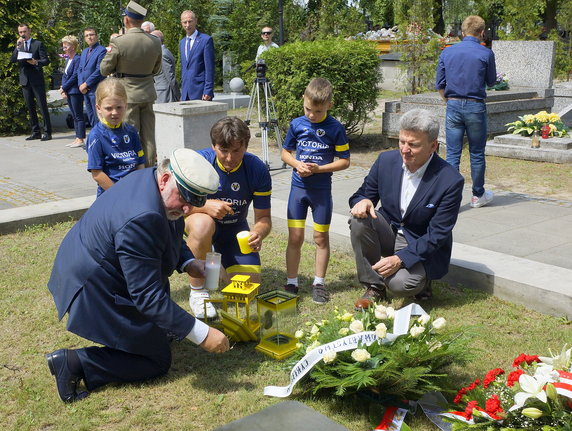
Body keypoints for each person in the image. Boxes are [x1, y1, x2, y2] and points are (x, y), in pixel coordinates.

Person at [46, 148, 230, 403]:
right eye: (185, 198)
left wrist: (189, 262)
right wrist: (202, 334)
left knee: (159, 331)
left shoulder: (154, 182)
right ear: (166, 179)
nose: (188, 209)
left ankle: (155, 331)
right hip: (93, 284)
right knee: (156, 360)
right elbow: (147, 296)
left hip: (101, 265)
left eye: (196, 202)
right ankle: (76, 362)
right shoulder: (142, 217)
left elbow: (170, 230)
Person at [349, 109, 464, 309]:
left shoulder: (450, 180)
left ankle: (423, 282)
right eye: (402, 141)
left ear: (433, 146)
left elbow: (437, 234)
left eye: (413, 145)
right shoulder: (386, 161)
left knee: (400, 284)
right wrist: (363, 201)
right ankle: (374, 287)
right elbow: (361, 194)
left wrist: (401, 259)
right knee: (359, 221)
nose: (404, 149)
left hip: (420, 241)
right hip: (390, 231)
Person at [185, 117, 272, 319]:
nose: (230, 158)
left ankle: (216, 258)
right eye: (223, 150)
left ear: (246, 147)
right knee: (203, 223)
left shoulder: (257, 169)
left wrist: (258, 233)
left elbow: (264, 218)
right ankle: (198, 292)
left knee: (246, 291)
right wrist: (206, 206)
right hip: (200, 225)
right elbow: (176, 207)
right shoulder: (199, 163)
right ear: (213, 146)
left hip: (234, 230)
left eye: (236, 151)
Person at [280, 77, 350, 304]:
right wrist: (296, 164)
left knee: (320, 237)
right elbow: (285, 153)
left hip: (321, 193)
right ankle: (292, 282)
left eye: (318, 111)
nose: (312, 115)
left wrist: (319, 169)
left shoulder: (335, 128)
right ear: (304, 99)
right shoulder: (296, 124)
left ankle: (319, 283)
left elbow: (345, 161)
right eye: (308, 109)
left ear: (329, 104)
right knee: (296, 237)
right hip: (297, 191)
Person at [435, 15, 497, 208]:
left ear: (462, 32)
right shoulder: (485, 53)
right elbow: (492, 81)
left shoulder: (447, 52)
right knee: (477, 153)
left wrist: (448, 101)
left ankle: (449, 198)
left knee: (452, 154)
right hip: (475, 105)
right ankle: (478, 195)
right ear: (482, 32)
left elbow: (439, 83)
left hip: (453, 104)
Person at [100, 0, 162, 168]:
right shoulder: (155, 41)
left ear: (126, 20)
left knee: (129, 136)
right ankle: (149, 170)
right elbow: (157, 69)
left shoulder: (119, 42)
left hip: (127, 95)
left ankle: (133, 171)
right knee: (149, 137)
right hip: (148, 92)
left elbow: (104, 69)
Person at [86, 78, 145, 196]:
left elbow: (140, 164)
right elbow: (97, 174)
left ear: (126, 105)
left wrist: (139, 188)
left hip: (134, 191)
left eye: (119, 107)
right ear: (99, 108)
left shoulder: (131, 132)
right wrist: (119, 194)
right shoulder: (96, 136)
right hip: (111, 194)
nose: (114, 112)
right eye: (108, 108)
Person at [10, 23, 52, 141]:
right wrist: (17, 47)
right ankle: (35, 132)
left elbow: (46, 60)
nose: (22, 34)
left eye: (24, 32)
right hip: (25, 80)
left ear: (29, 31)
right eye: (20, 32)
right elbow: (13, 60)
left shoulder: (37, 44)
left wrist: (36, 62)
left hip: (36, 79)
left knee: (42, 106)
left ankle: (47, 132)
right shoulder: (19, 45)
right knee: (30, 107)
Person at [179, 10, 215, 101]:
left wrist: (208, 90)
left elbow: (209, 68)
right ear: (181, 23)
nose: (187, 25)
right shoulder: (182, 42)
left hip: (200, 91)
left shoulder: (205, 40)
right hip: (186, 92)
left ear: (196, 21)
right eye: (185, 22)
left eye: (190, 21)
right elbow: (185, 68)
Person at [77, 27, 107, 129]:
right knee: (91, 117)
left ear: (96, 36)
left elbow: (99, 70)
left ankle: (101, 140)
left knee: (98, 116)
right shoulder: (85, 51)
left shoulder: (101, 50)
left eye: (91, 34)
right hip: (85, 90)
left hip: (95, 88)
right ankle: (95, 139)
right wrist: (81, 84)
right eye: (87, 35)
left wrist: (86, 84)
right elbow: (80, 69)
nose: (89, 37)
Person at [59, 35, 85, 148]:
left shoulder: (77, 59)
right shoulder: (68, 60)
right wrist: (63, 88)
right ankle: (77, 137)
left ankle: (81, 138)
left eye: (66, 45)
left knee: (78, 115)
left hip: (75, 91)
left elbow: (74, 76)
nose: (64, 47)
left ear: (73, 47)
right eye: (63, 45)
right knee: (74, 115)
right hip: (69, 90)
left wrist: (64, 87)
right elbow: (65, 75)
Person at [151, 30, 180, 103]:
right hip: (162, 92)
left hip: (165, 94)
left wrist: (178, 95)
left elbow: (170, 76)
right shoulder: (163, 52)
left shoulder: (162, 54)